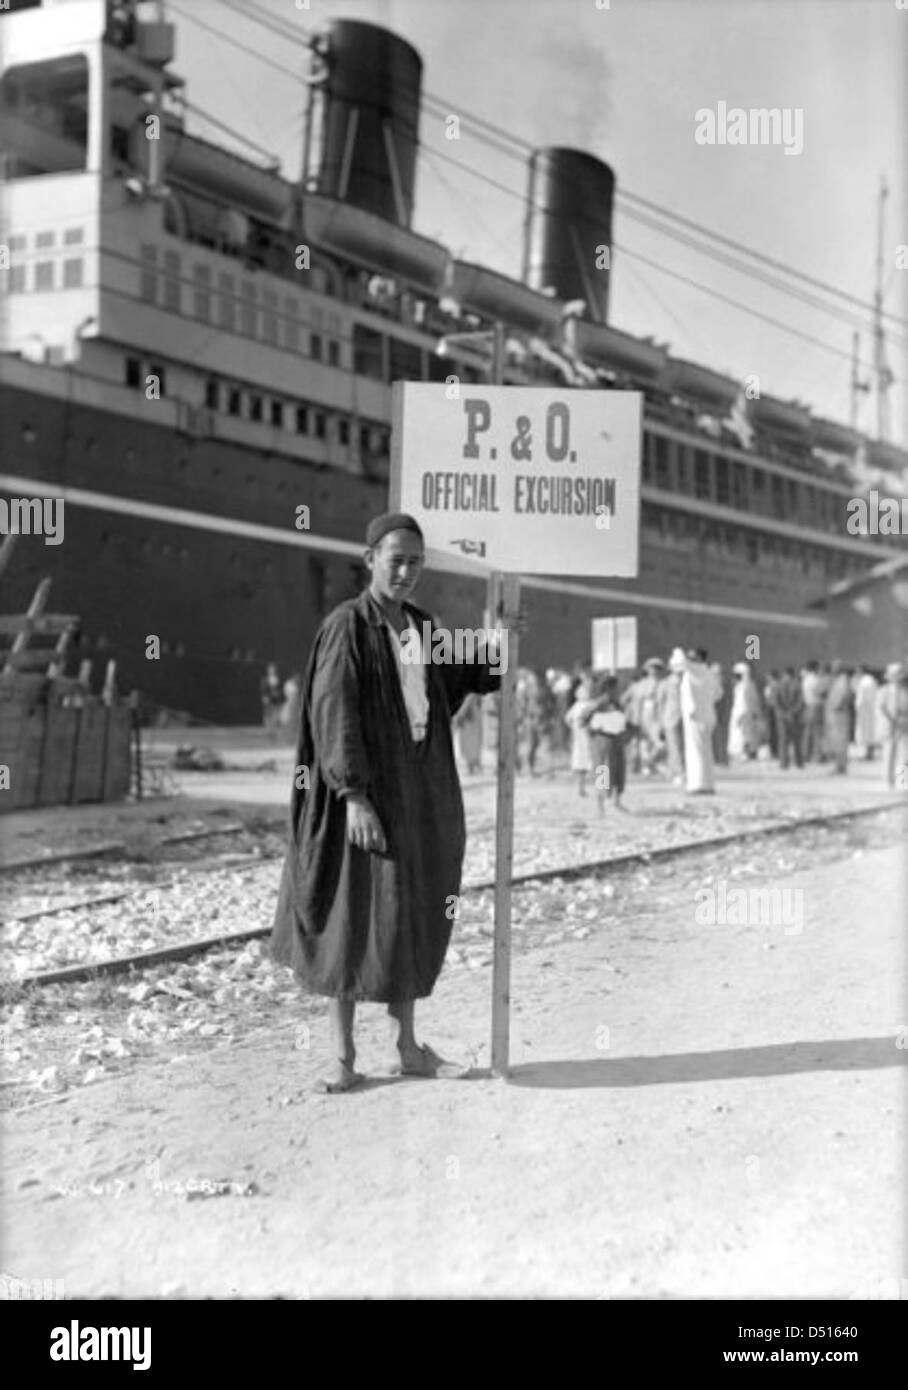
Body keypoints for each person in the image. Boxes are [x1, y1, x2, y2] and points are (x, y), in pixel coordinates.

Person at [270, 512, 502, 1092]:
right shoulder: (345, 627)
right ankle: (342, 1057)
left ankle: (408, 1047)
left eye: (416, 562)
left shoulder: (422, 627)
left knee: (409, 916)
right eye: (395, 559)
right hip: (366, 795)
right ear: (370, 557)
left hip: (419, 792)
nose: (405, 571)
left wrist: (502, 632)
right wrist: (353, 796)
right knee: (352, 920)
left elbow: (473, 670)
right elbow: (334, 714)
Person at [587, 675, 632, 811]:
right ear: (609, 688)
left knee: (618, 770)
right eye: (616, 687)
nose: (619, 690)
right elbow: (585, 720)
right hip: (603, 741)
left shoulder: (617, 703)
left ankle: (616, 801)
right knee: (603, 769)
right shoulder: (599, 703)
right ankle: (600, 805)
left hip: (616, 740)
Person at [679, 648, 716, 793]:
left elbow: (678, 659)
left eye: (693, 657)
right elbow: (717, 693)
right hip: (707, 716)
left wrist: (693, 709)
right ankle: (707, 784)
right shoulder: (709, 673)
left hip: (694, 717)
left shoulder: (692, 673)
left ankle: (698, 785)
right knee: (705, 752)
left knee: (696, 752)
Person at [565, 672, 598, 796]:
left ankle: (581, 789)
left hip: (580, 740)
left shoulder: (577, 706)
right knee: (600, 763)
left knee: (581, 764)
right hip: (593, 739)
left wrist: (576, 729)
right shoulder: (593, 704)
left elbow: (568, 720)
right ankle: (601, 790)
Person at [877, 662, 908, 789]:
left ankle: (903, 781)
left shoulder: (905, 691)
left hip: (904, 725)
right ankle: (888, 781)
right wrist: (892, 720)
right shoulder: (884, 690)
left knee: (904, 754)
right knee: (889, 753)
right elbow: (881, 707)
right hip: (888, 725)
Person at [660, 649, 686, 784]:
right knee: (674, 746)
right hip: (670, 718)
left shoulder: (687, 682)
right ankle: (678, 773)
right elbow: (661, 703)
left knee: (683, 746)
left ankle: (677, 771)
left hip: (686, 717)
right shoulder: (666, 683)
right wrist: (660, 721)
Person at [727, 662, 762, 761]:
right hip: (743, 714)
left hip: (743, 714)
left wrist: (741, 716)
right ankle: (744, 752)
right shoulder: (745, 686)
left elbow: (744, 703)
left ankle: (746, 752)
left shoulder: (745, 687)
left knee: (745, 735)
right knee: (744, 734)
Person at [825, 660, 854, 775]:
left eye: (834, 667)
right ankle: (839, 765)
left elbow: (843, 696)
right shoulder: (837, 680)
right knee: (837, 741)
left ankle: (841, 766)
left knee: (841, 741)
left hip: (840, 714)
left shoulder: (843, 680)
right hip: (836, 715)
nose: (832, 669)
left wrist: (836, 707)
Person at [774, 667, 804, 769]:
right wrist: (792, 712)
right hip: (794, 717)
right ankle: (798, 762)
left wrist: (784, 713)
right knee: (796, 741)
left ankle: (784, 763)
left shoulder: (778, 685)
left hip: (783, 717)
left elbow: (776, 702)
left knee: (783, 740)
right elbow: (800, 702)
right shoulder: (798, 685)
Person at [801, 660, 825, 764]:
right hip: (816, 706)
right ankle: (817, 756)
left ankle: (805, 755)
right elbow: (821, 692)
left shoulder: (805, 679)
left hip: (807, 706)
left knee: (807, 732)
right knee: (817, 733)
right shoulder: (815, 679)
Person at [452, 691, 483, 774]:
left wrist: (460, 715)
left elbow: (467, 701)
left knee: (471, 742)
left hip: (470, 717)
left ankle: (473, 764)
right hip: (469, 718)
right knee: (470, 742)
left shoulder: (471, 694)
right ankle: (473, 764)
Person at [853, 665, 879, 759]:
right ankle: (869, 753)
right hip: (870, 710)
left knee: (864, 733)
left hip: (865, 710)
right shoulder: (871, 681)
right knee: (870, 732)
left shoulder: (865, 682)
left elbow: (861, 698)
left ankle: (866, 754)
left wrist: (858, 708)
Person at [260, 661, 284, 740]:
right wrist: (264, 697)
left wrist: (279, 695)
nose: (272, 670)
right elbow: (263, 689)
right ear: (268, 670)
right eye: (271, 669)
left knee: (276, 716)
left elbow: (280, 688)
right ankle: (268, 731)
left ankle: (274, 732)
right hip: (268, 699)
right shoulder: (264, 679)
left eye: (273, 669)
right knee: (268, 716)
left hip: (276, 699)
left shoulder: (278, 678)